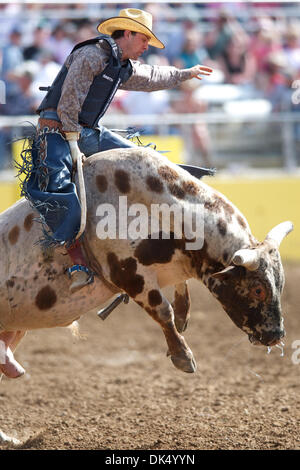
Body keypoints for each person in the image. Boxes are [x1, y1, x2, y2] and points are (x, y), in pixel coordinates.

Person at [21, 8, 213, 293]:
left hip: (84, 133)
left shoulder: (119, 63)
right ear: (128, 34)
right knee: (64, 200)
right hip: (57, 133)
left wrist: (185, 73)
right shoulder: (92, 56)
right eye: (145, 39)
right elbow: (68, 101)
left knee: (142, 161)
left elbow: (151, 77)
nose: (147, 46)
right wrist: (72, 137)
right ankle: (74, 263)